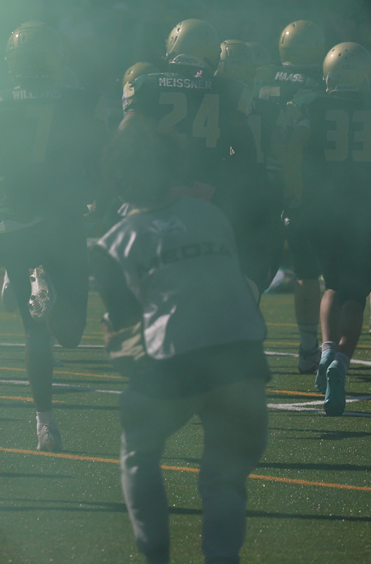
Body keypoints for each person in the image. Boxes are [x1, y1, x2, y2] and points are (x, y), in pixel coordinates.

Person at [94, 111, 269, 564]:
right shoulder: (210, 214)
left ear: (118, 176)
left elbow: (127, 344)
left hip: (177, 363)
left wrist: (123, 358)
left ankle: (156, 556)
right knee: (224, 479)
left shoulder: (116, 242)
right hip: (243, 359)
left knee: (138, 449)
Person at [0, 22, 107, 452]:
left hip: (15, 224)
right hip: (62, 221)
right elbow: (99, 155)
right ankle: (47, 291)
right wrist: (100, 197)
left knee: (35, 333)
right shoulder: (79, 100)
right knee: (71, 334)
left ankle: (45, 425)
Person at [279, 42, 371, 416]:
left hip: (323, 209)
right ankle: (341, 362)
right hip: (365, 211)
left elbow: (294, 146)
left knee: (331, 284)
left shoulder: (312, 104)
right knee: (355, 297)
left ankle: (325, 351)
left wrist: (294, 190)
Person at [121, 20, 270, 290]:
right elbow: (245, 151)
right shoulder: (229, 89)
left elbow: (125, 136)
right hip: (207, 196)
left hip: (159, 195)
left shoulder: (147, 84)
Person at [250, 20, 328, 372]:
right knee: (306, 271)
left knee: (253, 267)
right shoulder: (318, 82)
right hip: (304, 183)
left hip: (260, 181)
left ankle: (239, 337)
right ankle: (308, 347)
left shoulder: (262, 75)